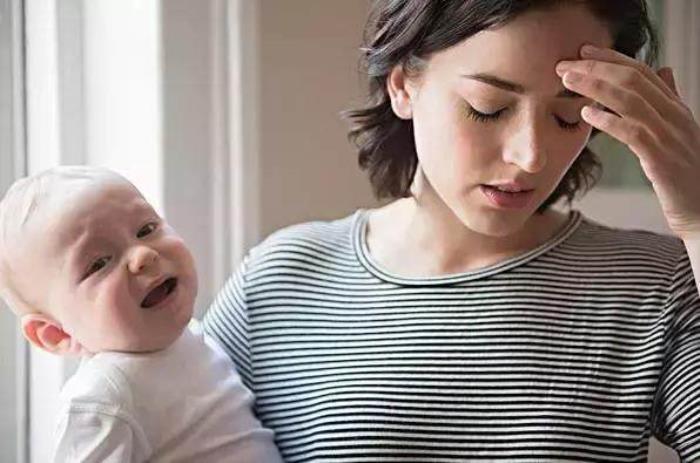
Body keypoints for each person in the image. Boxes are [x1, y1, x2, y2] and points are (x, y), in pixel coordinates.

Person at [203, 0, 700, 461]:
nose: (530, 156)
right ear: (403, 86)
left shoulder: (655, 283)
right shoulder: (280, 281)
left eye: (567, 117)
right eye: (488, 107)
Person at [0, 166, 283, 462]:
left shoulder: (194, 335)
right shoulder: (104, 398)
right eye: (99, 263)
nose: (143, 255)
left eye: (146, 230)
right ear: (56, 334)